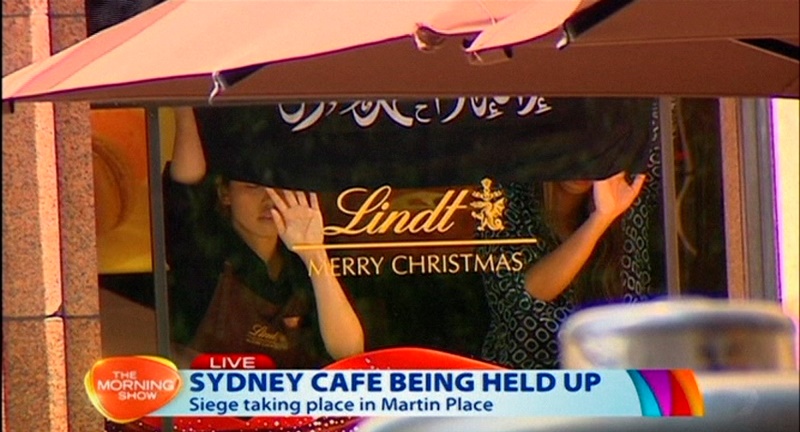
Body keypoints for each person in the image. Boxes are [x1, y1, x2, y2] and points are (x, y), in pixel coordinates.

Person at [165, 107, 364, 369]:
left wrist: (313, 253)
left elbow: (348, 351)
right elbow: (187, 180)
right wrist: (183, 104)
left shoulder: (299, 267)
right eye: (252, 187)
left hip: (294, 407)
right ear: (225, 194)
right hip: (213, 404)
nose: (269, 200)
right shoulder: (204, 248)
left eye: (279, 188)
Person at [479, 160, 660, 369]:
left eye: (595, 144)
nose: (584, 160)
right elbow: (521, 301)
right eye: (575, 139)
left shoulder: (627, 197)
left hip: (614, 385)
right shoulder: (507, 198)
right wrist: (599, 219)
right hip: (525, 387)